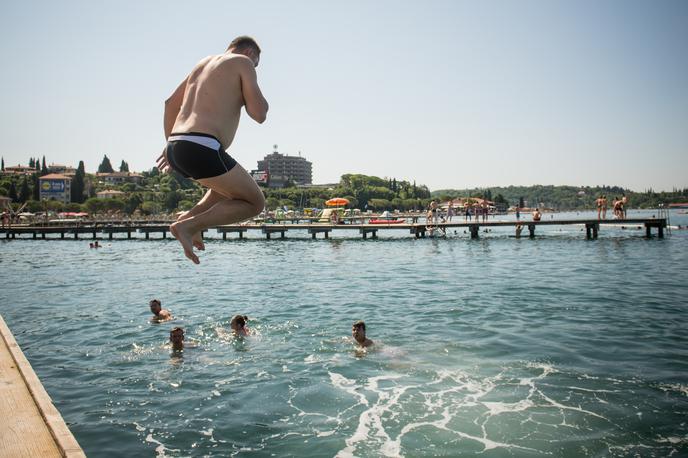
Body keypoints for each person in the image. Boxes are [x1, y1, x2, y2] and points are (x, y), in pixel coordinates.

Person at [156, 36, 269, 264]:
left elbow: (170, 103)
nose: (254, 68)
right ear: (249, 53)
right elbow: (259, 114)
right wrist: (256, 87)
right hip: (202, 146)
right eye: (256, 64)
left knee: (223, 191)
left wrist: (171, 145)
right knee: (255, 203)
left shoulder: (201, 65)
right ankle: (188, 226)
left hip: (178, 146)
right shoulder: (243, 62)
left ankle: (189, 218)